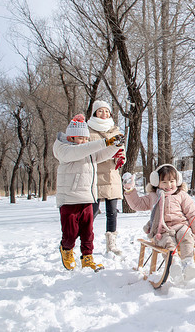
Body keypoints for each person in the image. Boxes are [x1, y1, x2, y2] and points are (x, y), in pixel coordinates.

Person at [54, 114, 124, 272]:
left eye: (86, 138)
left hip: (87, 196)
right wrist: (105, 142)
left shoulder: (88, 149)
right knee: (70, 233)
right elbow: (81, 151)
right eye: (80, 138)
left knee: (88, 232)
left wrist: (116, 146)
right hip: (69, 199)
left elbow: (102, 154)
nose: (84, 141)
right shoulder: (63, 149)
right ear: (71, 137)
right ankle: (66, 249)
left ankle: (87, 257)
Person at [122, 164, 195, 281]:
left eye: (172, 181)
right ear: (156, 182)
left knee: (186, 237)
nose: (169, 185)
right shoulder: (153, 196)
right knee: (168, 242)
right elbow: (137, 204)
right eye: (164, 182)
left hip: (181, 226)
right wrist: (129, 190)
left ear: (177, 180)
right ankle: (173, 264)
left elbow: (192, 213)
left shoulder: (182, 195)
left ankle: (188, 263)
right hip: (162, 229)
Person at [87, 100, 125, 255]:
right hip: (94, 175)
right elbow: (85, 150)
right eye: (101, 111)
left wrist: (120, 158)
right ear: (95, 112)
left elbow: (122, 150)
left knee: (112, 212)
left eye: (107, 111)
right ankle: (86, 242)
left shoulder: (115, 130)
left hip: (111, 174)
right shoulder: (88, 131)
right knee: (92, 212)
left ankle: (112, 245)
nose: (104, 114)